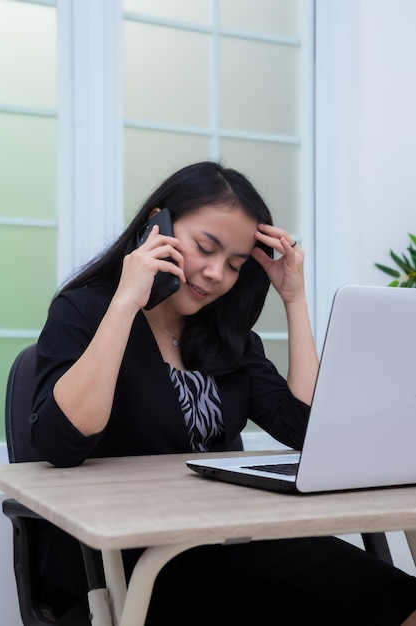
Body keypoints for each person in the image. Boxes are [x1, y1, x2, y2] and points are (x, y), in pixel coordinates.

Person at [30, 161, 416, 625]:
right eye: (205, 249)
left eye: (234, 264)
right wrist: (127, 300)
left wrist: (294, 300)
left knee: (395, 597)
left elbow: (306, 427)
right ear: (157, 227)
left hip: (229, 541)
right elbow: (62, 441)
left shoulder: (226, 336)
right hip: (129, 559)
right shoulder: (86, 311)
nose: (216, 274)